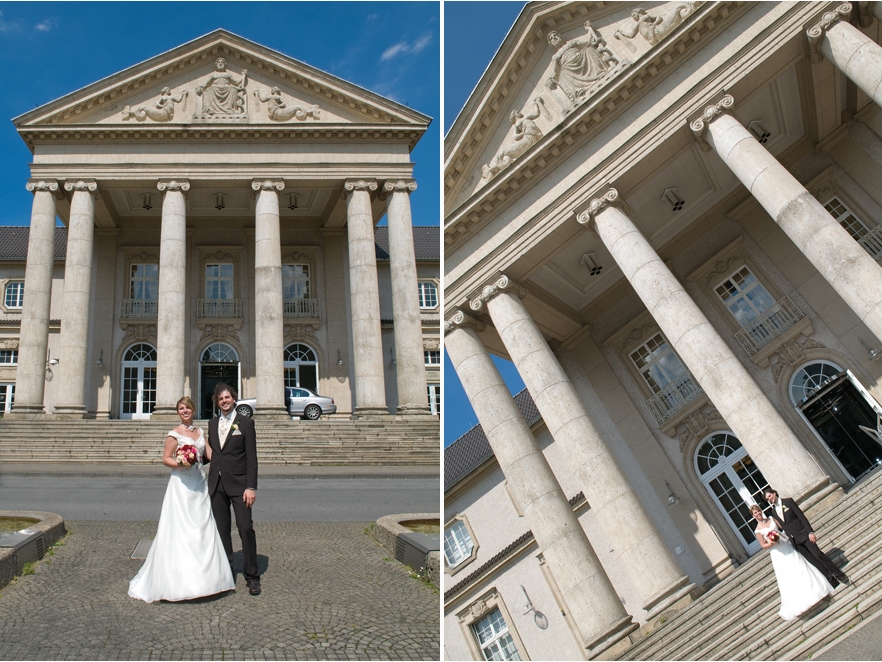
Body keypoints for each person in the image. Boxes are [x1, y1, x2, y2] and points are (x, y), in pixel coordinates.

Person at [129, 396, 235, 602]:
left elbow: (211, 454)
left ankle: (208, 580)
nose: (184, 411)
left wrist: (230, 459)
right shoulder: (174, 433)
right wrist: (181, 464)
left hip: (199, 483)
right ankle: (180, 581)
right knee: (181, 528)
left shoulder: (200, 432)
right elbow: (166, 458)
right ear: (178, 412)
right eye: (181, 409)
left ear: (193, 410)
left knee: (202, 527)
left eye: (187, 408)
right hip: (181, 485)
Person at [207, 382, 261, 595]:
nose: (224, 401)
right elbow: (212, 454)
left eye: (227, 397)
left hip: (240, 485)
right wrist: (187, 456)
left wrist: (251, 486)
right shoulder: (211, 424)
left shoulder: (245, 423)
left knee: (245, 527)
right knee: (222, 531)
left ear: (234, 399)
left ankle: (252, 575)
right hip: (217, 484)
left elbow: (252, 458)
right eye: (221, 399)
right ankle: (226, 571)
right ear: (217, 402)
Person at [750, 504, 834, 620]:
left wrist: (782, 535)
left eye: (758, 511)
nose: (758, 513)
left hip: (786, 545)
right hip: (777, 552)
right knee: (789, 575)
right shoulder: (758, 530)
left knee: (800, 565)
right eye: (755, 513)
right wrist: (772, 542)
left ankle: (815, 591)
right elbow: (763, 545)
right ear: (753, 516)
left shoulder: (771, 518)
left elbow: (782, 527)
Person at [763, 488, 849, 587]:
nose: (769, 499)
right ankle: (831, 579)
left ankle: (839, 574)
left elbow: (801, 517)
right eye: (767, 499)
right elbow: (783, 526)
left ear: (774, 493)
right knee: (813, 561)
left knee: (818, 555)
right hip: (795, 541)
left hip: (804, 534)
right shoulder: (773, 512)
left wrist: (810, 532)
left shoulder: (788, 502)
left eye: (769, 496)